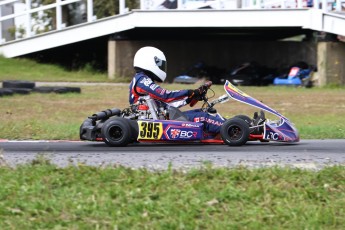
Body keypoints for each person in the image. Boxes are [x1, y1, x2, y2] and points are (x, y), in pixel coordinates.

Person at [129, 46, 226, 134]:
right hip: (156, 121)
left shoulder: (143, 80)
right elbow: (166, 96)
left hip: (163, 117)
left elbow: (168, 104)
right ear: (148, 62)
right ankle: (231, 129)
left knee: (203, 112)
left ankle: (231, 124)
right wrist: (189, 92)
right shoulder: (142, 81)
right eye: (159, 63)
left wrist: (191, 97)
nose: (161, 67)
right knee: (203, 117)